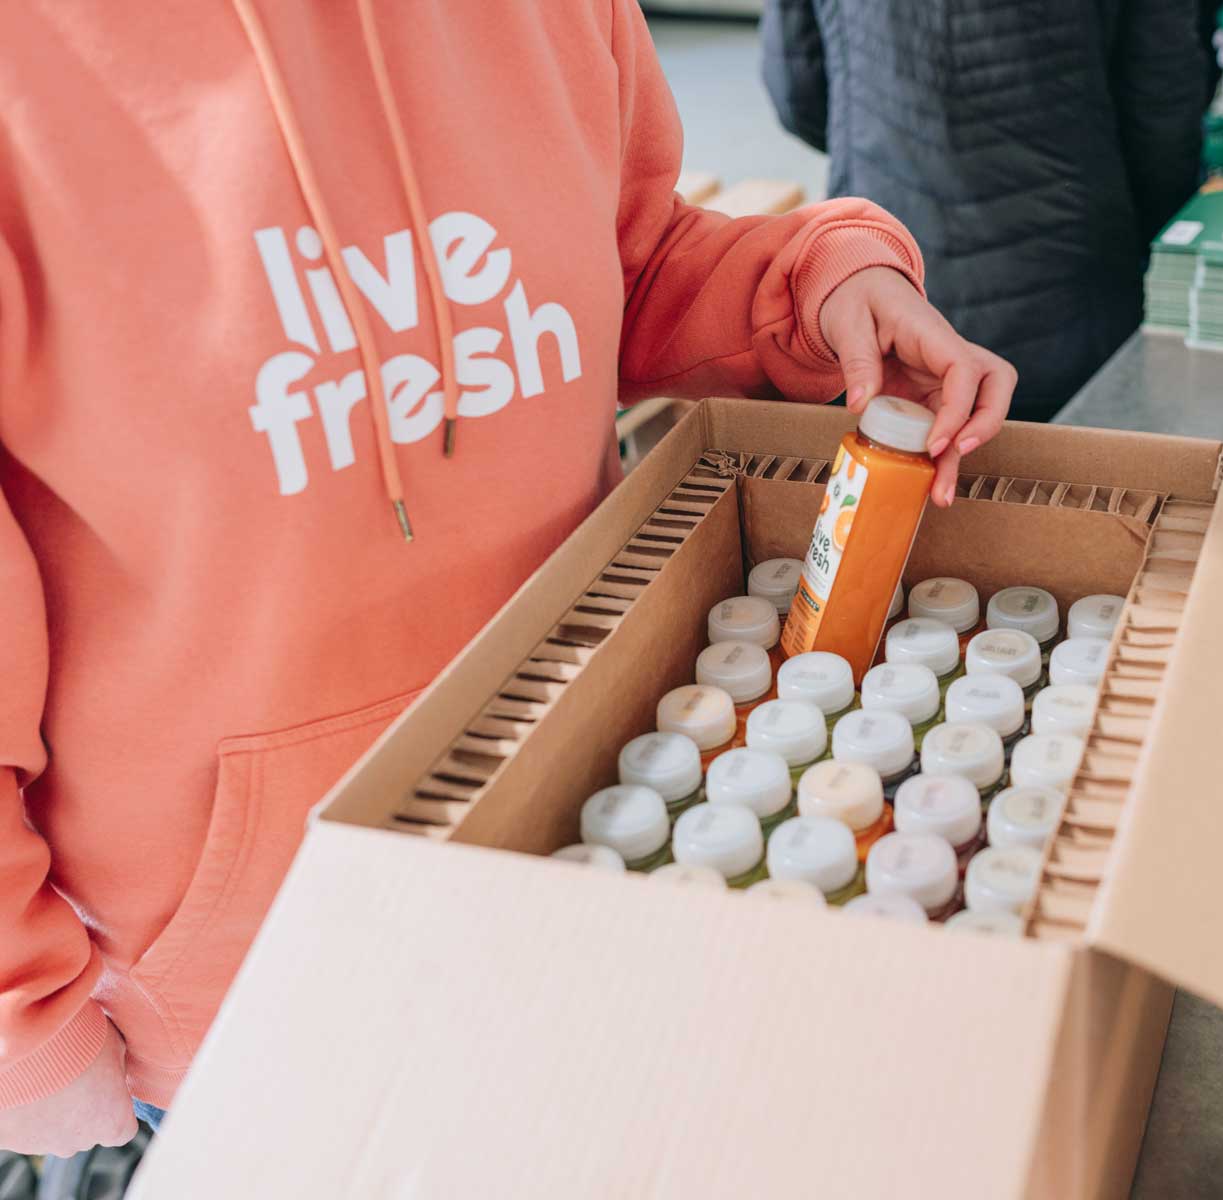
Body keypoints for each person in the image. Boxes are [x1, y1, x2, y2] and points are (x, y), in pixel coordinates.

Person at [0, 0, 1014, 1158]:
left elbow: (620, 260)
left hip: (597, 832)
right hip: (268, 977)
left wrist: (814, 282)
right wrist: (25, 1020)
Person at [762, 0, 1218, 421]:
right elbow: (1162, 106)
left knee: (894, 492)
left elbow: (798, 95)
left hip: (882, 294)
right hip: (1070, 293)